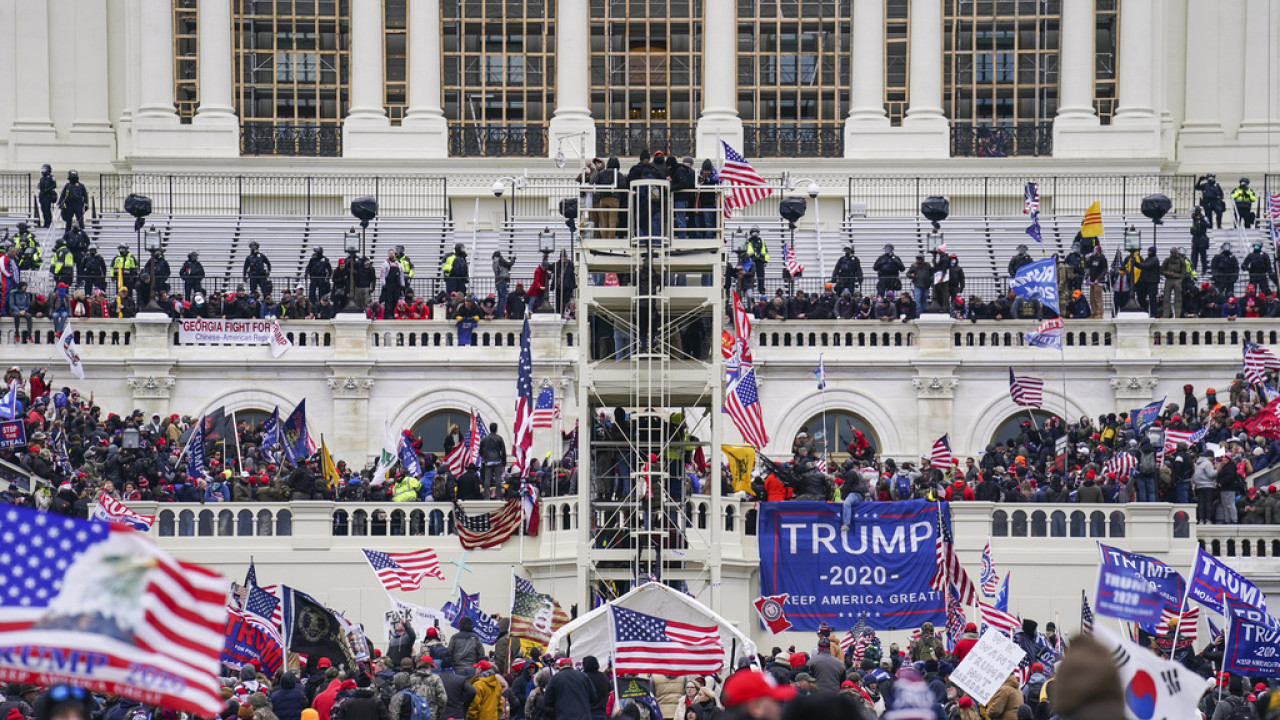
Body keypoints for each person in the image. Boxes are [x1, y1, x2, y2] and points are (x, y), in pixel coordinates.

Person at [477, 423, 506, 499]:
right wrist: (504, 462)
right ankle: (498, 496)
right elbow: (503, 451)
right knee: (498, 479)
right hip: (497, 460)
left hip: (488, 461)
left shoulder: (484, 439)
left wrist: (485, 457)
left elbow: (480, 450)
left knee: (487, 479)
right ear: (496, 429)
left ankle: (487, 496)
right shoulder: (499, 438)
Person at [56, 170, 88, 236]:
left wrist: (86, 204)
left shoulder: (81, 186)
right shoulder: (67, 186)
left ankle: (82, 233)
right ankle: (67, 233)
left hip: (78, 204)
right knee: (68, 220)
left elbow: (85, 195)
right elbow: (63, 194)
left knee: (80, 219)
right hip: (69, 205)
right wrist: (59, 203)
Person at [1160, 246, 1188, 318]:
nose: (1172, 254)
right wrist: (1167, 273)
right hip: (1169, 279)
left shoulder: (1181, 260)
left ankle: (1177, 314)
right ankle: (1166, 314)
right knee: (1166, 298)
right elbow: (1162, 270)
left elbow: (1183, 271)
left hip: (1177, 279)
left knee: (1178, 298)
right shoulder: (1167, 260)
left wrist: (1181, 279)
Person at [745, 228, 769, 295]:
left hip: (760, 261)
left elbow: (766, 251)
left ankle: (761, 290)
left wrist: (765, 260)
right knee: (750, 276)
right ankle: (749, 289)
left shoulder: (761, 241)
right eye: (753, 232)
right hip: (751, 261)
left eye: (756, 232)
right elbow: (746, 251)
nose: (755, 234)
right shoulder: (748, 241)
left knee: (761, 276)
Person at [492, 250, 514, 318]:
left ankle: (498, 313)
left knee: (500, 298)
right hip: (502, 280)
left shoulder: (494, 262)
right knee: (503, 298)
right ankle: (500, 314)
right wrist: (514, 259)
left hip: (497, 280)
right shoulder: (500, 260)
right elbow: (509, 264)